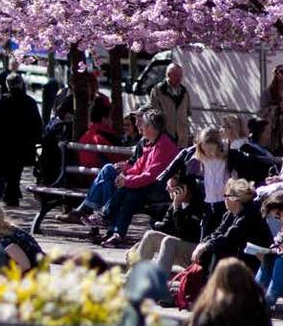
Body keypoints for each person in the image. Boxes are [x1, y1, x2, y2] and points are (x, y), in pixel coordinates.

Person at [93, 109, 180, 247]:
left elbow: (151, 175)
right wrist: (125, 176)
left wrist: (127, 181)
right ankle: (117, 233)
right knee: (130, 196)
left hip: (163, 188)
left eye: (143, 125)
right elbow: (139, 166)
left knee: (128, 192)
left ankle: (107, 218)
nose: (139, 127)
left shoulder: (163, 145)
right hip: (151, 186)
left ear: (151, 127)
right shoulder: (151, 142)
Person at [161, 127, 255, 235]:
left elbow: (248, 166)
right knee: (205, 236)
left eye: (211, 150)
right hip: (208, 203)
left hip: (225, 202)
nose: (208, 154)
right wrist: (173, 179)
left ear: (218, 146)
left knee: (222, 234)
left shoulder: (230, 155)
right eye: (205, 150)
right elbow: (181, 168)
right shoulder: (198, 156)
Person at [191, 178, 272, 275]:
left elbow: (228, 237)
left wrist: (206, 246)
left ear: (236, 199)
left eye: (226, 196)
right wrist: (202, 244)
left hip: (253, 261)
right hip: (239, 256)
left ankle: (213, 286)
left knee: (218, 249)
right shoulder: (230, 214)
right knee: (213, 247)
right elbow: (219, 232)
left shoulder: (249, 216)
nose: (224, 199)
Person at [130, 174, 205, 276]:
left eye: (170, 188)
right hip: (179, 247)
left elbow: (184, 234)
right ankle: (132, 277)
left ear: (183, 189)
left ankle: (159, 286)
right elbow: (165, 227)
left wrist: (177, 208)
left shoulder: (198, 206)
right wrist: (139, 246)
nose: (166, 190)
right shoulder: (175, 204)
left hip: (195, 251)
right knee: (150, 235)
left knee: (169, 241)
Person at [0, 73, 42, 206]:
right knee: (16, 170)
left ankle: (6, 193)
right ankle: (12, 193)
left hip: (3, 143)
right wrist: (36, 139)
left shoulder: (1, 101)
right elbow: (37, 124)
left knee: (2, 168)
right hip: (23, 144)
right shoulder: (30, 101)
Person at [149, 62, 192, 147]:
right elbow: (154, 116)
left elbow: (188, 113)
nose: (179, 78)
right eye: (176, 75)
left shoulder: (184, 91)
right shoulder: (158, 90)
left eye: (181, 75)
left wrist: (186, 131)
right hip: (165, 137)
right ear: (168, 75)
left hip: (182, 138)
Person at [259, 64, 283, 153]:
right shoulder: (268, 92)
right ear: (275, 74)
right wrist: (277, 107)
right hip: (274, 128)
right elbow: (262, 111)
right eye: (281, 72)